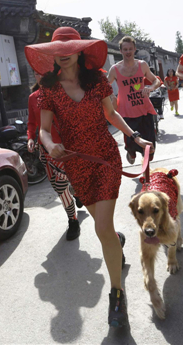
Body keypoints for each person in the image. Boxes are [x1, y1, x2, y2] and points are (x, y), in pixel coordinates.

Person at [24, 27, 154, 327]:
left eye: (70, 46)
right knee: (103, 227)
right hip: (76, 165)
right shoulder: (48, 87)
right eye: (59, 48)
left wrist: (135, 136)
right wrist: (49, 143)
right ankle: (116, 241)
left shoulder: (97, 80)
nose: (65, 52)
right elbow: (43, 129)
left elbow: (111, 114)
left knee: (101, 228)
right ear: (54, 54)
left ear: (80, 50)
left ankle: (117, 296)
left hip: (105, 158)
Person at [27, 72, 82, 240]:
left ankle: (77, 190)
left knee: (75, 180)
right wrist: (30, 138)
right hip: (48, 152)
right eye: (37, 73)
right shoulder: (33, 97)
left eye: (43, 72)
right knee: (60, 187)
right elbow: (32, 122)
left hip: (69, 148)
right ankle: (73, 220)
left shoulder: (63, 90)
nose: (40, 75)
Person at [107, 36, 160, 164]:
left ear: (135, 49)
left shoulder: (142, 65)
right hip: (126, 112)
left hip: (144, 110)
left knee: (150, 147)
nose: (128, 52)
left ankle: (146, 171)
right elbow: (105, 87)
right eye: (125, 49)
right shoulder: (115, 69)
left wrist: (150, 87)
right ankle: (130, 152)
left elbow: (156, 80)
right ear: (120, 51)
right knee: (131, 145)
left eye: (130, 49)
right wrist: (111, 97)